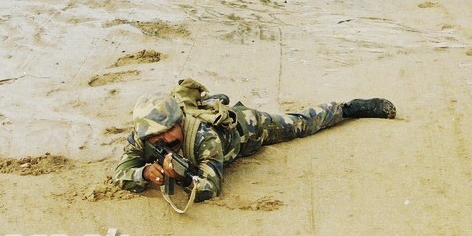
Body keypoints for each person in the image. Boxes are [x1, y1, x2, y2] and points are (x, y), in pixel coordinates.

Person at [113, 77, 396, 204]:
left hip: (248, 130)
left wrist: (184, 178)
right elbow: (120, 174)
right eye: (155, 137)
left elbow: (210, 187)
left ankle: (346, 108)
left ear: (179, 123)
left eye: (167, 133)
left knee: (299, 124)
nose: (162, 140)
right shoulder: (144, 138)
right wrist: (144, 173)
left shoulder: (203, 137)